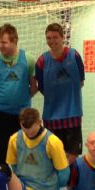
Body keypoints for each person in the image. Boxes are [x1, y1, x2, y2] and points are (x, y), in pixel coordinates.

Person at [0, 24, 37, 167]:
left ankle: (21, 182)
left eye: (4, 42)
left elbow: (34, 86)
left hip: (22, 116)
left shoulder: (28, 60)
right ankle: (1, 181)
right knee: (0, 157)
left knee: (23, 156)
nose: (0, 45)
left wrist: (22, 99)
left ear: (14, 41)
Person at [36, 22, 86, 162]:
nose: (51, 41)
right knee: (53, 156)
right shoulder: (41, 61)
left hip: (72, 114)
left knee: (72, 156)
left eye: (55, 37)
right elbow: (41, 87)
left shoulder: (74, 56)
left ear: (62, 37)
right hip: (51, 117)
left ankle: (69, 178)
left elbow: (81, 82)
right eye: (48, 38)